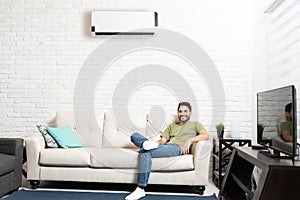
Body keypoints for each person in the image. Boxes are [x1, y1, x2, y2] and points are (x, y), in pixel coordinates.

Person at [125, 102, 209, 200]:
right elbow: (162, 141)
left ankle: (140, 188)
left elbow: (205, 135)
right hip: (166, 146)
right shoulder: (172, 126)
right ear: (177, 113)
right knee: (134, 135)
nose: (182, 114)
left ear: (190, 113)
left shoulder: (195, 124)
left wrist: (190, 140)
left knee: (144, 151)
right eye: (180, 111)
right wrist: (155, 144)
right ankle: (146, 144)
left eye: (185, 111)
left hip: (177, 148)